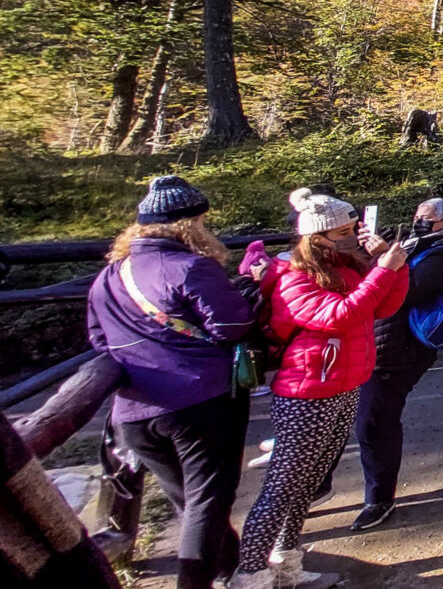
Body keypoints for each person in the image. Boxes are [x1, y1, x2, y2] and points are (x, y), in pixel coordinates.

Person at [85, 176, 258, 589]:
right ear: (189, 224)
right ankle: (196, 582)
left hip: (134, 410)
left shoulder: (110, 276)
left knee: (189, 500)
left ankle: (228, 568)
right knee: (208, 501)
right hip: (200, 401)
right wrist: (249, 294)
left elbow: (97, 338)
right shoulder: (190, 266)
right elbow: (232, 325)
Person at [229, 191, 408, 589]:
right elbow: (338, 316)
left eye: (353, 229)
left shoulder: (346, 267)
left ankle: (287, 561)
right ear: (318, 236)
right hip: (306, 393)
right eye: (343, 231)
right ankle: (252, 572)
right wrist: (383, 270)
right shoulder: (293, 276)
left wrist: (392, 268)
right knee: (283, 485)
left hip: (345, 385)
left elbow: (383, 307)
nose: (352, 237)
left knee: (307, 482)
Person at [349, 198, 443, 531]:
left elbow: (411, 290)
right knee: (364, 417)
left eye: (427, 218)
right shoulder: (415, 245)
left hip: (401, 349)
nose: (420, 222)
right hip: (379, 339)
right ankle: (340, 486)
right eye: (417, 216)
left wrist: (384, 257)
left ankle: (379, 498)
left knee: (374, 422)